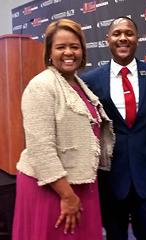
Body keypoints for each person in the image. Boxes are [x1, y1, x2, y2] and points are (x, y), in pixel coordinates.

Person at [12, 18, 114, 240]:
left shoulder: (77, 83)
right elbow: (41, 150)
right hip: (52, 189)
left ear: (83, 51)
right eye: (61, 47)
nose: (69, 52)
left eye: (74, 47)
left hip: (80, 184)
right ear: (49, 52)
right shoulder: (41, 86)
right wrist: (67, 196)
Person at [81, 16, 146, 240]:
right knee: (115, 235)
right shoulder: (90, 80)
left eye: (128, 33)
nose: (123, 38)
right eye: (117, 33)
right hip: (111, 179)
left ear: (137, 39)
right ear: (107, 38)